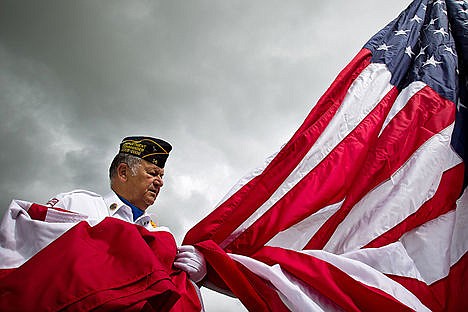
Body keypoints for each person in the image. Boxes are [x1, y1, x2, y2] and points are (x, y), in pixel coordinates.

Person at [46, 136, 207, 284]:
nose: (160, 182)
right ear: (123, 173)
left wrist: (192, 279)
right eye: (152, 173)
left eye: (161, 176)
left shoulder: (160, 236)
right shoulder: (76, 204)